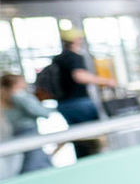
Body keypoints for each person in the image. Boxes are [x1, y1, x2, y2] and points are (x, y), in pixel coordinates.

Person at [50, 29, 117, 157]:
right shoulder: (74, 56)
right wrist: (107, 81)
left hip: (63, 104)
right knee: (94, 136)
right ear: (76, 40)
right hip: (79, 102)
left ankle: (83, 160)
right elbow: (79, 76)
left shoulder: (58, 58)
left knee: (79, 138)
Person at [2, 73, 57, 173]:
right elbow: (36, 110)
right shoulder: (19, 96)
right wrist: (52, 110)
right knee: (34, 159)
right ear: (16, 83)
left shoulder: (5, 97)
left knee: (37, 157)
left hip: (18, 131)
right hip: (28, 131)